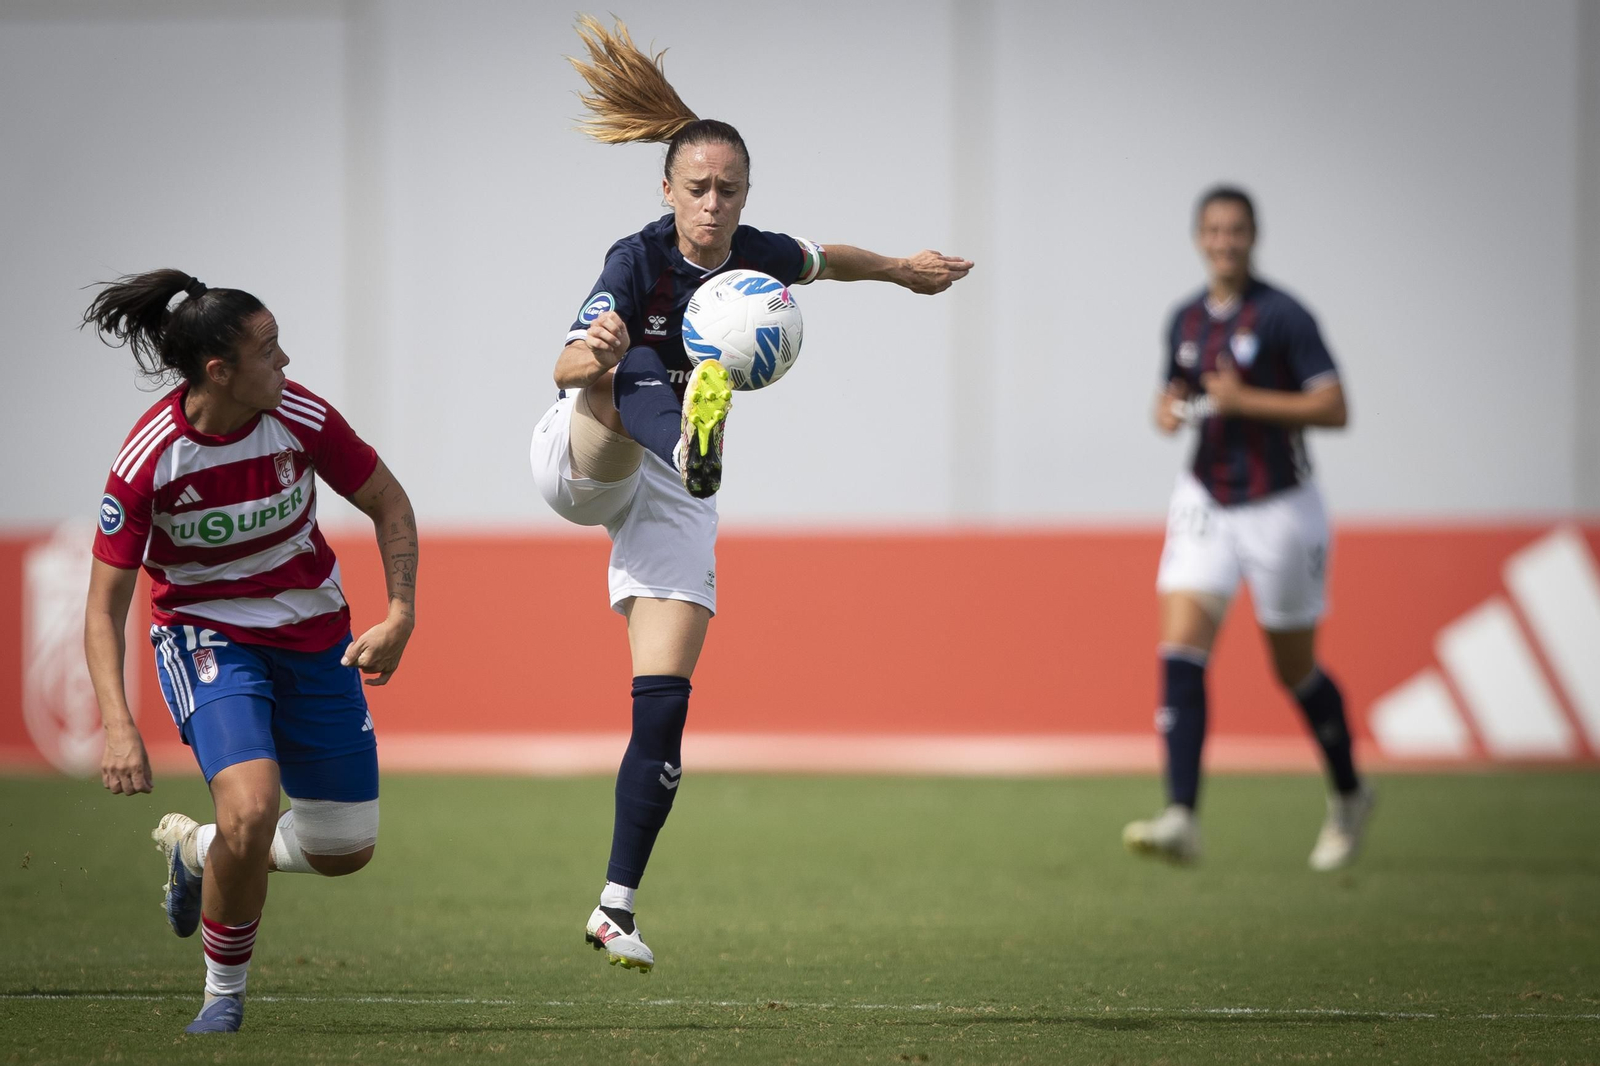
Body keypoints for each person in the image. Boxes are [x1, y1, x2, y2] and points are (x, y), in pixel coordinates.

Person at [531, 16, 972, 973]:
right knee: (622, 373)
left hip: (677, 490)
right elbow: (563, 363)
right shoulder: (635, 259)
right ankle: (688, 423)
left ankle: (615, 904)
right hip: (586, 453)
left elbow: (829, 258)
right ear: (667, 190)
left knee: (666, 700)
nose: (715, 205)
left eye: (730, 191)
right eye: (699, 189)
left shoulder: (754, 254)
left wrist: (902, 271)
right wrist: (594, 350)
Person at [81, 270, 418, 1032]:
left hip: (315, 637)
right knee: (254, 807)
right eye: (270, 351)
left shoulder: (301, 416)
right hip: (209, 638)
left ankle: (197, 852)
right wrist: (118, 724)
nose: (287, 362)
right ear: (218, 372)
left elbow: (389, 501)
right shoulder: (149, 460)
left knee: (346, 847)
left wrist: (400, 612)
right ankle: (222, 999)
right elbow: (104, 608)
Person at [1123, 186, 1374, 871]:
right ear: (1199, 238)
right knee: (1180, 650)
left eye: (1236, 231)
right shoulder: (1184, 319)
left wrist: (1247, 401)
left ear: (1252, 236)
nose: (1225, 242)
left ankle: (1350, 794)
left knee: (1293, 670)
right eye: (1213, 230)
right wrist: (1168, 413)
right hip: (1205, 496)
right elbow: (1170, 396)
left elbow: (1336, 407)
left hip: (1282, 504)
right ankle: (1181, 815)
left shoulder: (1286, 315)